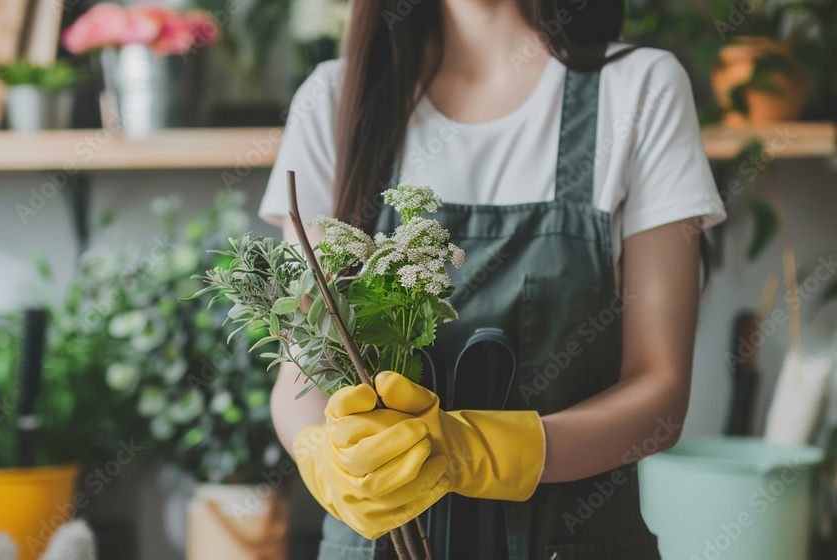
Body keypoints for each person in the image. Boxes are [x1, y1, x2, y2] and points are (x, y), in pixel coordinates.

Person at [258, 0, 726, 558]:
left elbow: (660, 391)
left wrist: (473, 451)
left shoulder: (639, 89)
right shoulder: (334, 99)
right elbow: (300, 377)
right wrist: (324, 456)